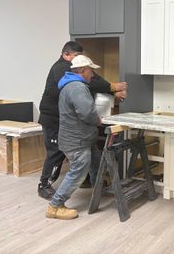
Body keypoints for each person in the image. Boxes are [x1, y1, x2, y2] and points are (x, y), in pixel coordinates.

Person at [38, 41, 127, 199]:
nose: (79, 59)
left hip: (66, 118)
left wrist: (111, 90)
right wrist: (112, 87)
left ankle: (88, 179)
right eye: (76, 56)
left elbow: (92, 78)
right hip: (52, 118)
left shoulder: (77, 71)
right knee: (56, 152)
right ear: (66, 55)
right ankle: (44, 184)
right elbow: (90, 83)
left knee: (88, 152)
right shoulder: (62, 68)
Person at [46, 55, 102, 220]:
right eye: (91, 71)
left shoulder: (70, 84)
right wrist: (97, 119)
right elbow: (87, 113)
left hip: (82, 138)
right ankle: (55, 206)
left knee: (97, 164)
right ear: (83, 70)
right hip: (77, 140)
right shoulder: (77, 87)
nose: (93, 75)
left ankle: (100, 191)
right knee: (77, 172)